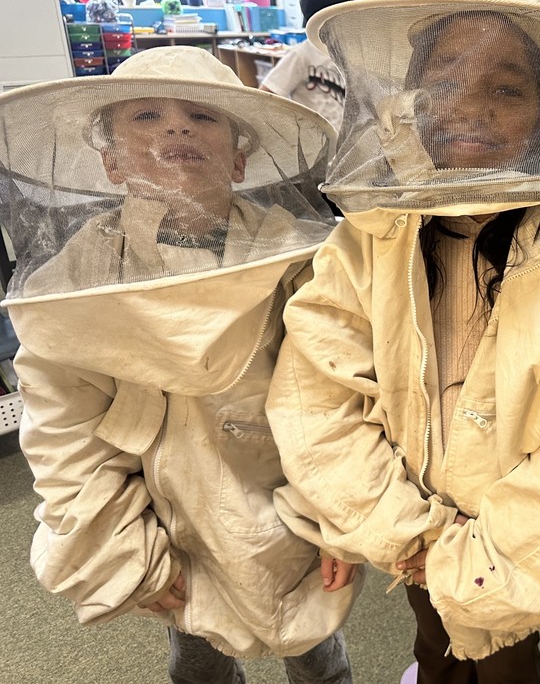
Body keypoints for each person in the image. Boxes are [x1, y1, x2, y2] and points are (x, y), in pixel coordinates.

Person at [265, 0, 540, 684]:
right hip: (406, 522)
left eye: (506, 87)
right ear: (410, 98)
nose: (468, 105)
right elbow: (315, 391)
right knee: (433, 646)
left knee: (508, 658)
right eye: (442, 80)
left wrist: (485, 554)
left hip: (509, 542)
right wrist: (402, 533)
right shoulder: (366, 242)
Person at [0, 46, 362, 683]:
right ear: (109, 160)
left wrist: (339, 515)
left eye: (202, 115)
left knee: (315, 645)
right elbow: (62, 426)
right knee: (196, 659)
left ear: (239, 156)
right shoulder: (80, 277)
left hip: (286, 495)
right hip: (165, 512)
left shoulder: (299, 257)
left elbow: (338, 395)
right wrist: (119, 553)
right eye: (146, 116)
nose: (177, 127)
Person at [261, 0, 362, 133]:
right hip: (315, 145)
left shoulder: (353, 53)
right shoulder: (302, 54)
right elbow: (265, 96)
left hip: (348, 143)